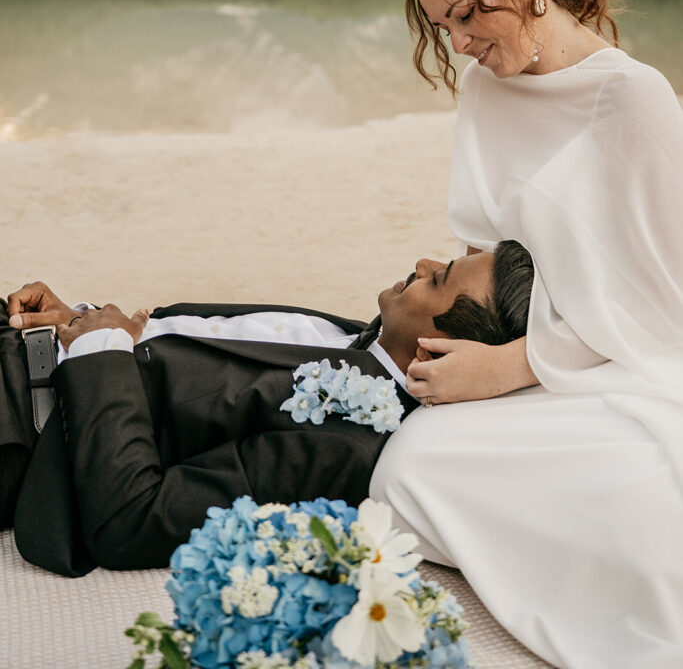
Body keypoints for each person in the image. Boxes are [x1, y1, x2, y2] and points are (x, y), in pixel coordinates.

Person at [370, 0, 683, 668]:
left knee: (640, 510)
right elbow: (486, 258)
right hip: (528, 345)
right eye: (443, 25)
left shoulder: (632, 97)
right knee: (409, 469)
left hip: (628, 362)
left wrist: (515, 368)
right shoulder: (485, 89)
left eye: (469, 14)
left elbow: (664, 307)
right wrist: (467, 354)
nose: (460, 41)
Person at [0, 240, 533, 577]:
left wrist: (101, 350)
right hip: (27, 347)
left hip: (21, 429)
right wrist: (80, 323)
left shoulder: (346, 442)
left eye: (438, 279)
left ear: (439, 349)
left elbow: (130, 520)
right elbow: (174, 355)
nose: (423, 262)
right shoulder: (358, 335)